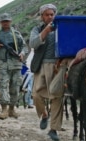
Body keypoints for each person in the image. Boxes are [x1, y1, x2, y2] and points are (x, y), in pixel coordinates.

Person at [29, 3, 63, 141]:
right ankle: (44, 114)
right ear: (42, 16)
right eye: (47, 15)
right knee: (36, 94)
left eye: (52, 14)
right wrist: (46, 32)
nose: (50, 17)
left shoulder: (61, 28)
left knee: (57, 97)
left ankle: (53, 129)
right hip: (41, 65)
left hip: (57, 66)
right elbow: (33, 44)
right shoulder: (37, 29)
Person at [0, 13, 28, 119]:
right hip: (3, 63)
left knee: (15, 87)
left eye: (7, 21)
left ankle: (12, 109)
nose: (5, 23)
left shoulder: (16, 34)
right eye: (3, 21)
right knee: (3, 86)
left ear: (10, 21)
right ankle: (4, 110)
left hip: (16, 64)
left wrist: (22, 54)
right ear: (1, 23)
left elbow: (24, 47)